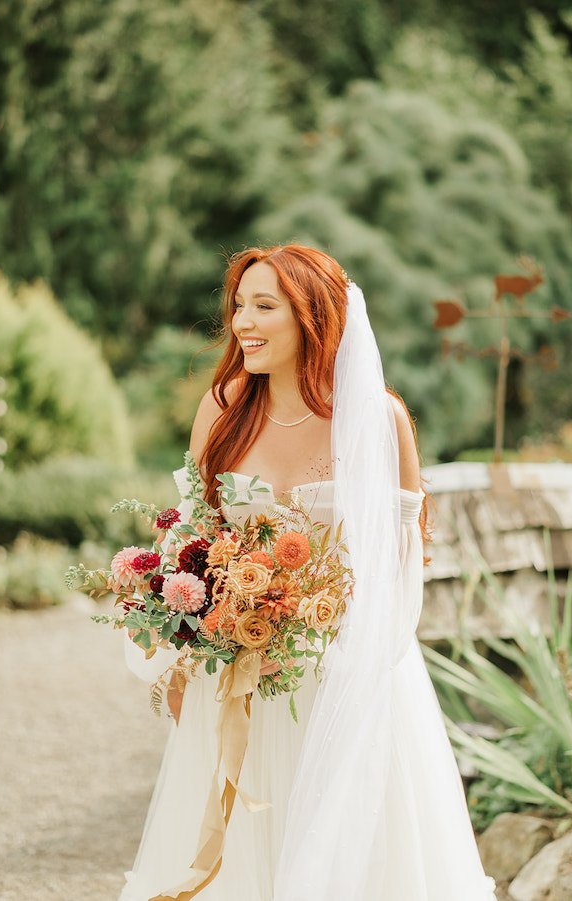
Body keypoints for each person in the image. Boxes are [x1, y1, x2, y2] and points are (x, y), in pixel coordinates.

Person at [119, 243, 497, 900]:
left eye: (265, 305)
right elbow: (192, 539)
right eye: (239, 305)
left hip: (348, 676)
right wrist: (188, 649)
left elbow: (401, 571)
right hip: (237, 680)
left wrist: (349, 660)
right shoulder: (221, 407)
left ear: (312, 317)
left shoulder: (379, 418)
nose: (243, 322)